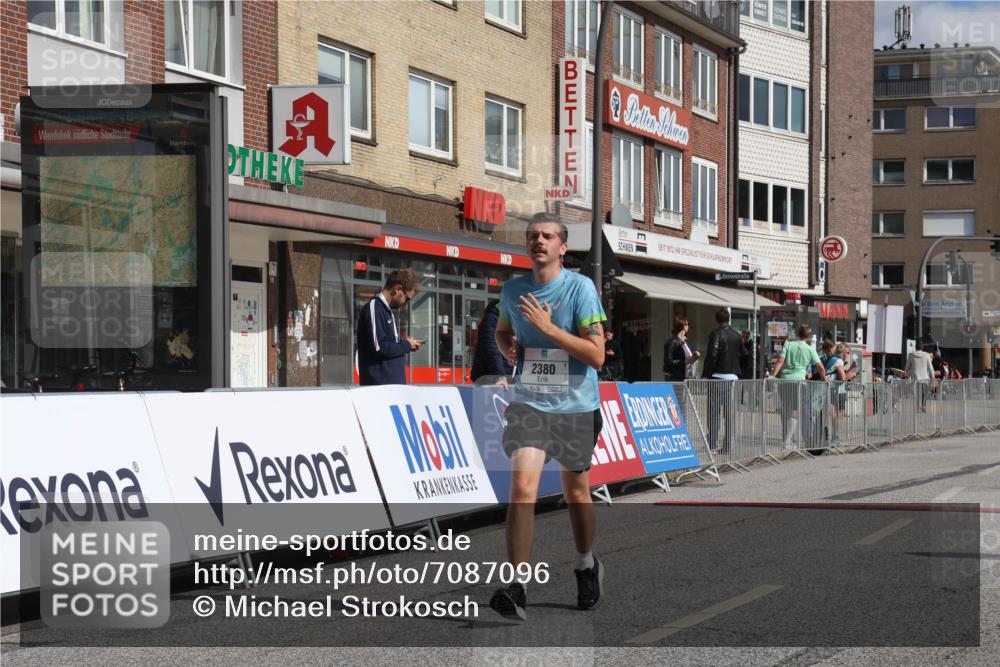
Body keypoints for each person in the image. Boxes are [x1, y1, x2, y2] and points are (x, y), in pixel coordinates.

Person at [490, 212, 607, 620]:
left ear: (562, 247)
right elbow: (504, 330)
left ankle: (587, 563)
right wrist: (508, 345)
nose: (539, 241)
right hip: (529, 402)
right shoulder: (512, 290)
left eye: (547, 236)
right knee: (522, 486)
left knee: (576, 493)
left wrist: (548, 327)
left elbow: (597, 355)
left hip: (575, 405)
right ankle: (517, 586)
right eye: (532, 236)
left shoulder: (581, 288)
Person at [355, 268, 423, 386]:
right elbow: (379, 347)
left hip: (391, 389)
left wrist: (406, 343)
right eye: (407, 298)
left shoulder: (386, 310)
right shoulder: (375, 307)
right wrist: (406, 345)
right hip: (380, 390)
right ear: (397, 289)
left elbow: (387, 344)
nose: (406, 303)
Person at [770, 324, 826, 448]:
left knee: (786, 410)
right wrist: (824, 378)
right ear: (809, 336)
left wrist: (773, 375)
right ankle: (788, 441)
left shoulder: (788, 344)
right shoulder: (810, 348)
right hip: (799, 383)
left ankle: (787, 439)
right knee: (795, 412)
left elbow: (780, 361)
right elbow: (820, 367)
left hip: (784, 382)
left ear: (798, 333)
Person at [702, 309, 743, 454]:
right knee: (730, 413)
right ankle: (729, 445)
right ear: (729, 318)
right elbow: (743, 354)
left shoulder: (716, 334)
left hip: (718, 377)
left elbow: (712, 356)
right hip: (733, 378)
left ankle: (712, 445)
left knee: (714, 412)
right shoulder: (737, 335)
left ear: (716, 319)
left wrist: (706, 374)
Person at [470, 299, 514, 384]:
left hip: (507, 375)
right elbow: (491, 349)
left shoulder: (511, 319)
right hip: (490, 378)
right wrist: (499, 376)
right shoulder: (492, 318)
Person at [662, 315, 700, 382]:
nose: (688, 326)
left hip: (686, 377)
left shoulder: (685, 341)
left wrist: (694, 356)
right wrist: (685, 361)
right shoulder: (672, 342)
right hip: (675, 378)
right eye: (687, 324)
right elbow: (668, 362)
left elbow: (688, 356)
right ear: (683, 326)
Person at [904, 341, 934, 412]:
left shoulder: (911, 355)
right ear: (922, 348)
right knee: (924, 393)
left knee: (917, 393)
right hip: (925, 378)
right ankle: (923, 406)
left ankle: (917, 407)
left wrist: (907, 377)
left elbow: (907, 368)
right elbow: (930, 368)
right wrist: (933, 378)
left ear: (915, 347)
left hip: (915, 378)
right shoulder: (927, 355)